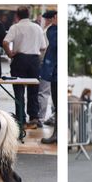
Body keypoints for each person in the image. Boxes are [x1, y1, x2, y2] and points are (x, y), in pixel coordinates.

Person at [3, 7, 47, 130]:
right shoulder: (37, 27)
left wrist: (10, 54)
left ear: (17, 15)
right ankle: (33, 118)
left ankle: (21, 119)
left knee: (19, 91)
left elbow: (5, 42)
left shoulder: (15, 27)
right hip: (34, 60)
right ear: (29, 14)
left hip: (20, 59)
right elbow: (43, 47)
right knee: (34, 91)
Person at [39, 10, 59, 144]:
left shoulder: (53, 30)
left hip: (56, 74)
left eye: (47, 19)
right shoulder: (52, 30)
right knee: (56, 104)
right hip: (54, 74)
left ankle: (57, 134)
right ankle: (56, 133)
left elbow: (56, 44)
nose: (45, 23)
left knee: (58, 104)